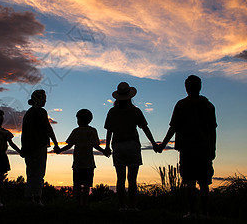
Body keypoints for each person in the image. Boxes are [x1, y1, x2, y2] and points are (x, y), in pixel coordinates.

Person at [157, 75, 217, 218]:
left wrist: (162, 145)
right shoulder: (208, 105)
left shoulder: (182, 104)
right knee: (204, 182)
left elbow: (173, 128)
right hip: (204, 149)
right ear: (200, 87)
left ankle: (192, 212)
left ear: (187, 87)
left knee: (190, 181)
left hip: (188, 149)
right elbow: (212, 130)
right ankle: (204, 212)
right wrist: (213, 149)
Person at [104, 82, 158, 212]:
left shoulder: (112, 111)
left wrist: (107, 147)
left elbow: (109, 131)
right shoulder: (135, 111)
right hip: (132, 145)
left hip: (118, 146)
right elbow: (145, 128)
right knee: (132, 179)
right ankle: (133, 206)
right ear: (130, 96)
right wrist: (154, 143)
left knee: (120, 178)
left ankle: (122, 206)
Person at [57, 109, 109, 208]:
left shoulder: (76, 131)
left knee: (76, 184)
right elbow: (95, 145)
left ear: (79, 119)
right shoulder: (92, 131)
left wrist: (60, 150)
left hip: (77, 163)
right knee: (86, 185)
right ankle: (85, 204)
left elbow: (69, 145)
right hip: (89, 163)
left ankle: (78, 204)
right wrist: (104, 151)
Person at [21, 89, 60, 206]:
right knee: (39, 173)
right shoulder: (41, 112)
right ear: (40, 99)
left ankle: (29, 198)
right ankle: (37, 198)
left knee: (30, 172)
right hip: (39, 145)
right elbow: (48, 128)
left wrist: (23, 147)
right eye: (44, 98)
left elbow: (24, 132)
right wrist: (56, 144)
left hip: (28, 146)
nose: (45, 100)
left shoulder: (28, 113)